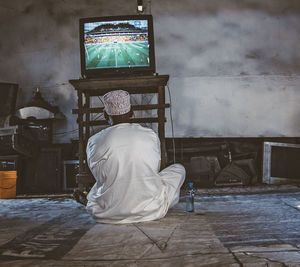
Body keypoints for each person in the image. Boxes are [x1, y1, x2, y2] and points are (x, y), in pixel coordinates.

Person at [85, 90, 185, 224]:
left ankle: (99, 203)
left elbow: (98, 175)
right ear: (131, 113)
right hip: (151, 210)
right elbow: (154, 168)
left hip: (107, 214)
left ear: (104, 115)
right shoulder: (149, 134)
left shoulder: (94, 140)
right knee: (178, 169)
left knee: (102, 184)